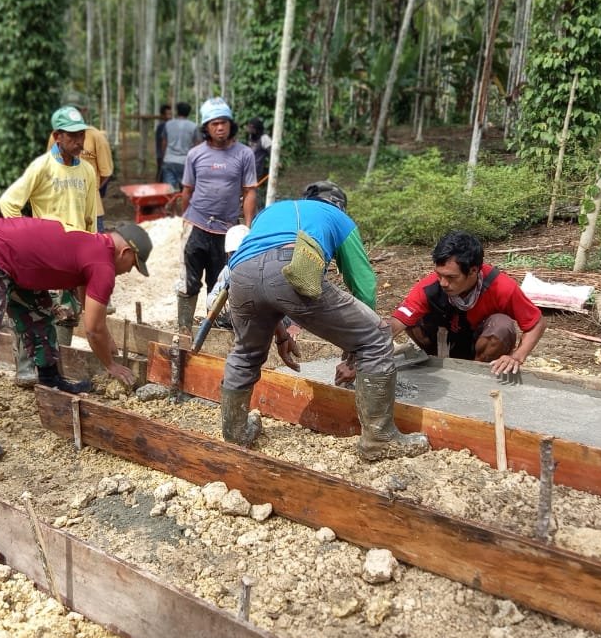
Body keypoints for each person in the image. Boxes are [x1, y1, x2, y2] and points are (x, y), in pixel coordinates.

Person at [220, 181, 429, 462]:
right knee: (377, 337)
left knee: (245, 353)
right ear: (339, 206)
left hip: (239, 275)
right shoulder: (339, 218)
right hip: (289, 262)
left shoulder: (271, 212)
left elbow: (262, 281)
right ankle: (379, 440)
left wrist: (281, 336)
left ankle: (236, 433)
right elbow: (364, 283)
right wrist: (358, 347)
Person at [0, 217, 152, 463]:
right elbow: (93, 330)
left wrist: (105, 334)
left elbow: (88, 302)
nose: (129, 270)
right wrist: (110, 364)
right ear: (126, 252)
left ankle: (50, 378)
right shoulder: (104, 265)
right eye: (133, 264)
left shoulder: (96, 245)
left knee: (39, 317)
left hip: (19, 260)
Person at [0, 106, 102, 384]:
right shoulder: (43, 167)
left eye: (81, 134)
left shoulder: (87, 172)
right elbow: (9, 203)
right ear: (57, 136)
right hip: (43, 254)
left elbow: (90, 218)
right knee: (33, 310)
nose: (79, 141)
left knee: (67, 313)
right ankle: (25, 369)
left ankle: (55, 371)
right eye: (72, 136)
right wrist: (24, 237)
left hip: (73, 256)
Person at [389, 230, 545, 378]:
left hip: (477, 348)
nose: (443, 283)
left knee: (502, 326)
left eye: (451, 277)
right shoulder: (429, 287)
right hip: (440, 344)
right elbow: (398, 321)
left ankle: (475, 375)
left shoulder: (501, 287)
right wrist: (371, 343)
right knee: (411, 316)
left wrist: (517, 356)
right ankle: (435, 361)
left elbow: (536, 323)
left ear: (473, 271)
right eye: (439, 275)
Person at [174, 97, 257, 332]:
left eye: (223, 122)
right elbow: (187, 191)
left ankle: (214, 330)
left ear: (231, 124)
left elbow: (249, 191)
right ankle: (184, 329)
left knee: (219, 284)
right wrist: (185, 220)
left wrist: (246, 229)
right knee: (188, 281)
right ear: (206, 128)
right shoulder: (195, 154)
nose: (219, 127)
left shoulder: (244, 154)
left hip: (226, 231)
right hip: (196, 226)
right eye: (214, 124)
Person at [161, 101, 197, 191]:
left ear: (177, 112)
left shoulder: (168, 124)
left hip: (169, 160)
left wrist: (163, 156)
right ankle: (183, 204)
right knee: (186, 189)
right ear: (188, 113)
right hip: (185, 162)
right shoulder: (193, 126)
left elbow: (164, 143)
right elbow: (198, 145)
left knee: (169, 190)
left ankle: (170, 204)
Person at [155, 103, 171, 171]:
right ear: (162, 115)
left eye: (171, 114)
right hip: (162, 155)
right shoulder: (161, 126)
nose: (170, 116)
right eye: (168, 114)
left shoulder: (170, 125)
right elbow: (163, 141)